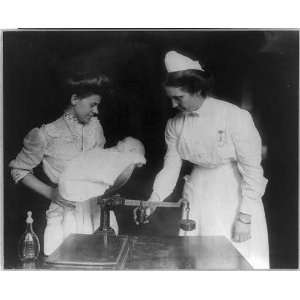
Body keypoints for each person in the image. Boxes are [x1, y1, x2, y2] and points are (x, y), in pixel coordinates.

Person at [144, 50, 269, 269]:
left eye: (178, 97)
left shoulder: (234, 116)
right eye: (171, 98)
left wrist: (245, 218)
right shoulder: (175, 124)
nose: (173, 104)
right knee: (199, 259)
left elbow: (252, 171)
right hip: (199, 193)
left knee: (233, 260)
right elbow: (171, 165)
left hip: (234, 194)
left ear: (197, 90)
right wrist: (155, 197)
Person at [9, 72, 112, 255]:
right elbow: (19, 169)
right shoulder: (45, 134)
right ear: (74, 99)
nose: (96, 111)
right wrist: (50, 192)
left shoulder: (96, 127)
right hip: (66, 214)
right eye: (93, 104)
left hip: (97, 210)